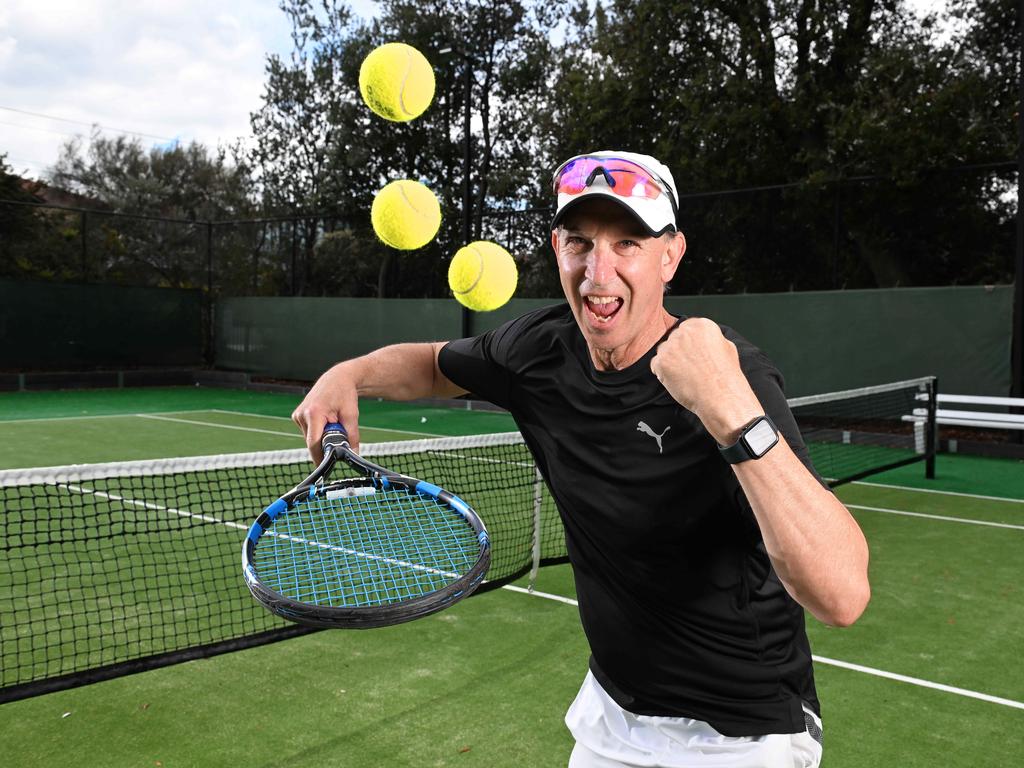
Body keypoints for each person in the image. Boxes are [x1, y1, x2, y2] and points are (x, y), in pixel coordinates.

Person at [291, 151, 870, 768]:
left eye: (628, 243)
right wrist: (348, 373)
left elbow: (841, 595)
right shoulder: (539, 350)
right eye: (580, 242)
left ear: (670, 256)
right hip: (613, 714)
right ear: (556, 248)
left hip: (741, 734)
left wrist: (731, 412)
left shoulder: (733, 376)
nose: (599, 271)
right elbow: (434, 365)